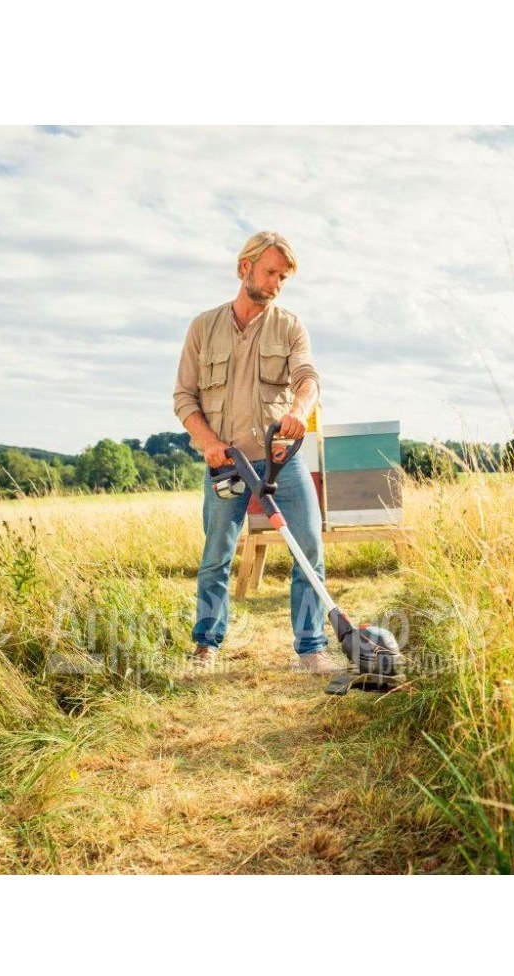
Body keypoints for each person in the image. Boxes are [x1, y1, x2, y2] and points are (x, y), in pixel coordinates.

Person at [173, 231, 337, 675]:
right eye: (270, 272)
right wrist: (209, 443)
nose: (276, 284)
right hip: (226, 465)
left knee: (309, 549)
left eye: (283, 277)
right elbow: (184, 397)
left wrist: (299, 411)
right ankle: (206, 647)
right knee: (217, 556)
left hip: (280, 461)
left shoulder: (290, 326)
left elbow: (308, 379)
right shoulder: (203, 328)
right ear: (244, 267)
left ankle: (311, 650)